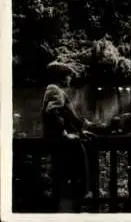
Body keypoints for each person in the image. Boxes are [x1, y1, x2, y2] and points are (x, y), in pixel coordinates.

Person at [41, 61, 95, 212]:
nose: (70, 79)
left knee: (66, 183)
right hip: (63, 146)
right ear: (61, 77)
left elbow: (67, 116)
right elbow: (53, 112)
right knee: (68, 182)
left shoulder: (54, 90)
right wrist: (64, 135)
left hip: (62, 145)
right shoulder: (55, 90)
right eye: (68, 76)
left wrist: (80, 131)